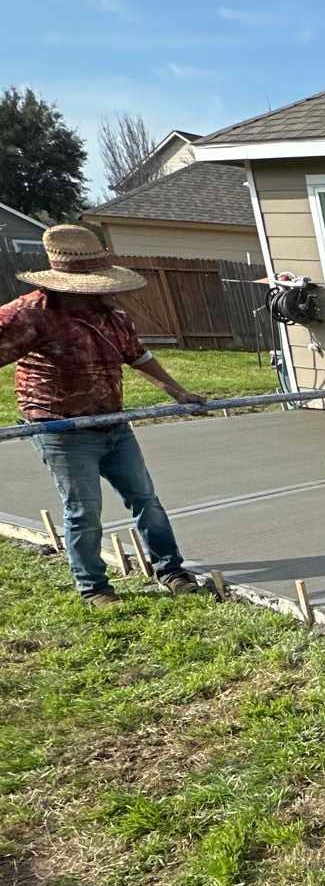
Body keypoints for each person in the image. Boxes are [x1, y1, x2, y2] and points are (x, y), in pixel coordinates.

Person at [0, 225, 207, 608]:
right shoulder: (28, 315)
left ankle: (172, 571)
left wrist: (177, 391)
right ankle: (94, 587)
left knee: (146, 499)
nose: (106, 291)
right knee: (84, 509)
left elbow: (137, 356)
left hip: (112, 423)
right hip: (61, 428)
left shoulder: (113, 316)